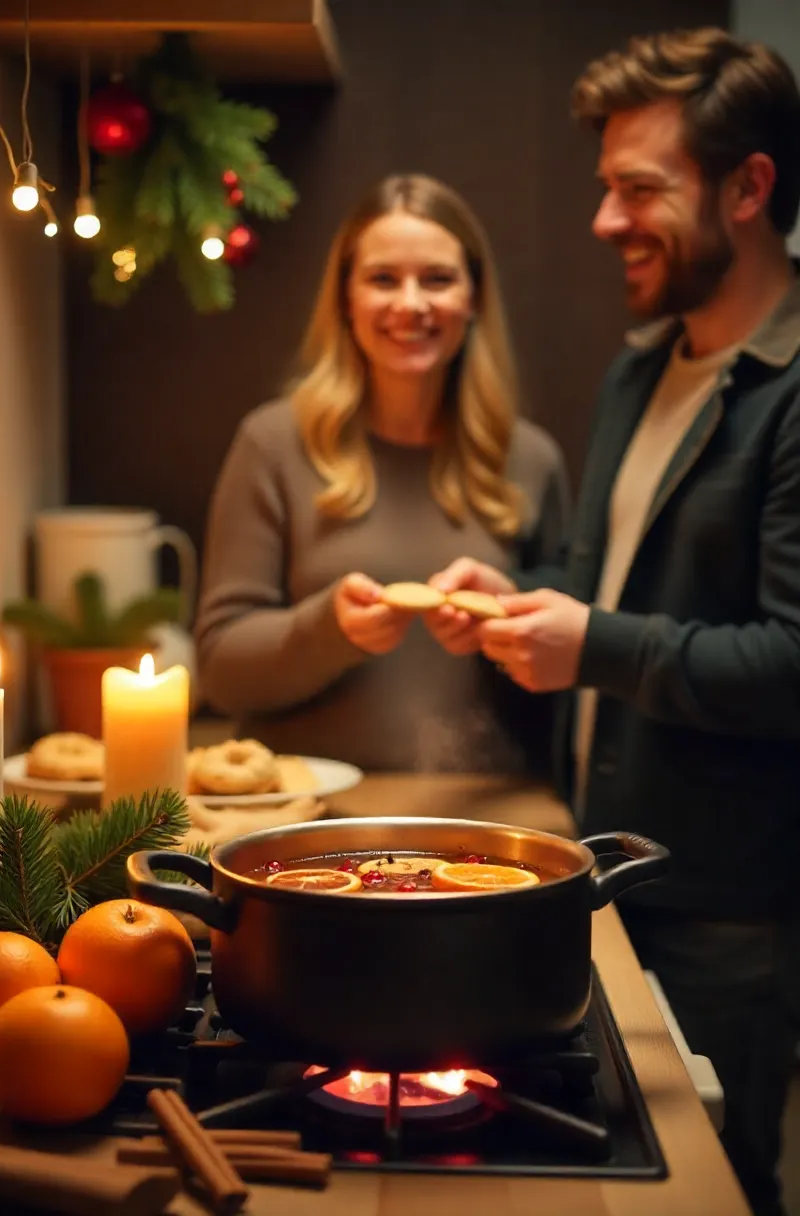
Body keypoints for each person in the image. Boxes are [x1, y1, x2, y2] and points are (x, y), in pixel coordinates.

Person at [427, 28, 800, 1216]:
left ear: (749, 187)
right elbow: (613, 585)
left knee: (711, 1191)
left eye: (639, 188)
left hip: (727, 910)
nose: (603, 220)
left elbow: (791, 663)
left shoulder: (791, 392)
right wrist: (510, 593)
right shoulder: (639, 371)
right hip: (604, 869)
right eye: (604, 187)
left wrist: (589, 642)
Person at [195, 173, 569, 773]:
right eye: (383, 279)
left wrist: (504, 626)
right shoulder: (271, 445)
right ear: (345, 298)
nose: (411, 304)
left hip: (481, 810)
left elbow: (563, 667)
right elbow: (221, 673)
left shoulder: (530, 459)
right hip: (309, 824)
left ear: (474, 298)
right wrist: (328, 631)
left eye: (439, 279)